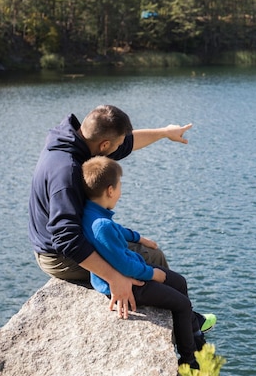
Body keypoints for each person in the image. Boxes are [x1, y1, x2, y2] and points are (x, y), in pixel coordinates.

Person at [29, 104, 190, 318]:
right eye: (117, 145)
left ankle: (186, 317)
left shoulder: (77, 141)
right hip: (58, 256)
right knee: (151, 256)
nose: (121, 148)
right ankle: (181, 320)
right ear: (104, 145)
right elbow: (66, 239)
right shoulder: (67, 171)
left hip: (73, 239)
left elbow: (127, 143)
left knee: (139, 249)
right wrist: (115, 278)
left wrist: (164, 133)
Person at [81, 156, 214, 369]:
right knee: (182, 304)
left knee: (179, 281)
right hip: (129, 283)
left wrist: (139, 238)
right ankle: (189, 360)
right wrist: (153, 274)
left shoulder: (91, 212)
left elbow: (117, 230)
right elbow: (124, 266)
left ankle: (193, 333)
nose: (121, 190)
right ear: (110, 190)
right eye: (120, 185)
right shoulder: (101, 225)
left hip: (131, 271)